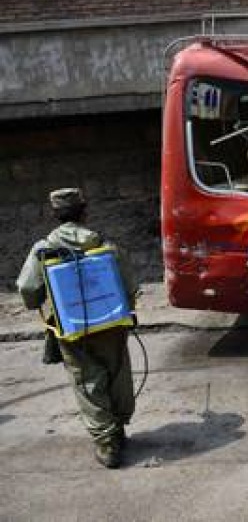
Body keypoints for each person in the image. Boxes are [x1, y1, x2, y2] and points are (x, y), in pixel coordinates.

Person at [16, 188, 139, 469]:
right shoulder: (105, 244)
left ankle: (107, 445)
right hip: (112, 323)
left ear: (55, 215)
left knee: (88, 382)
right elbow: (130, 285)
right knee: (117, 374)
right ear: (85, 212)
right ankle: (118, 429)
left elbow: (27, 289)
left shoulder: (43, 248)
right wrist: (128, 311)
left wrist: (38, 301)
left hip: (73, 329)